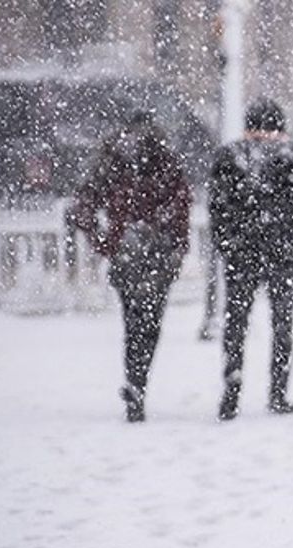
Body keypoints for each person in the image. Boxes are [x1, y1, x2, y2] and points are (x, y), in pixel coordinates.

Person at [66, 111, 191, 423]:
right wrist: (177, 245)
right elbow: (181, 206)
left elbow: (84, 204)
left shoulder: (112, 158)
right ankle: (139, 382)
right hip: (158, 252)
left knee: (133, 322)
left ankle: (135, 382)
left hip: (126, 251)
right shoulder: (165, 160)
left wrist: (104, 240)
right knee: (150, 323)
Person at [208, 98, 293, 421]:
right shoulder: (291, 156)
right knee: (282, 323)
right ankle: (278, 392)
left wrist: (227, 245)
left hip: (242, 254)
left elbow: (217, 208)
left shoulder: (228, 157)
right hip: (281, 253)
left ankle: (231, 388)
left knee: (236, 322)